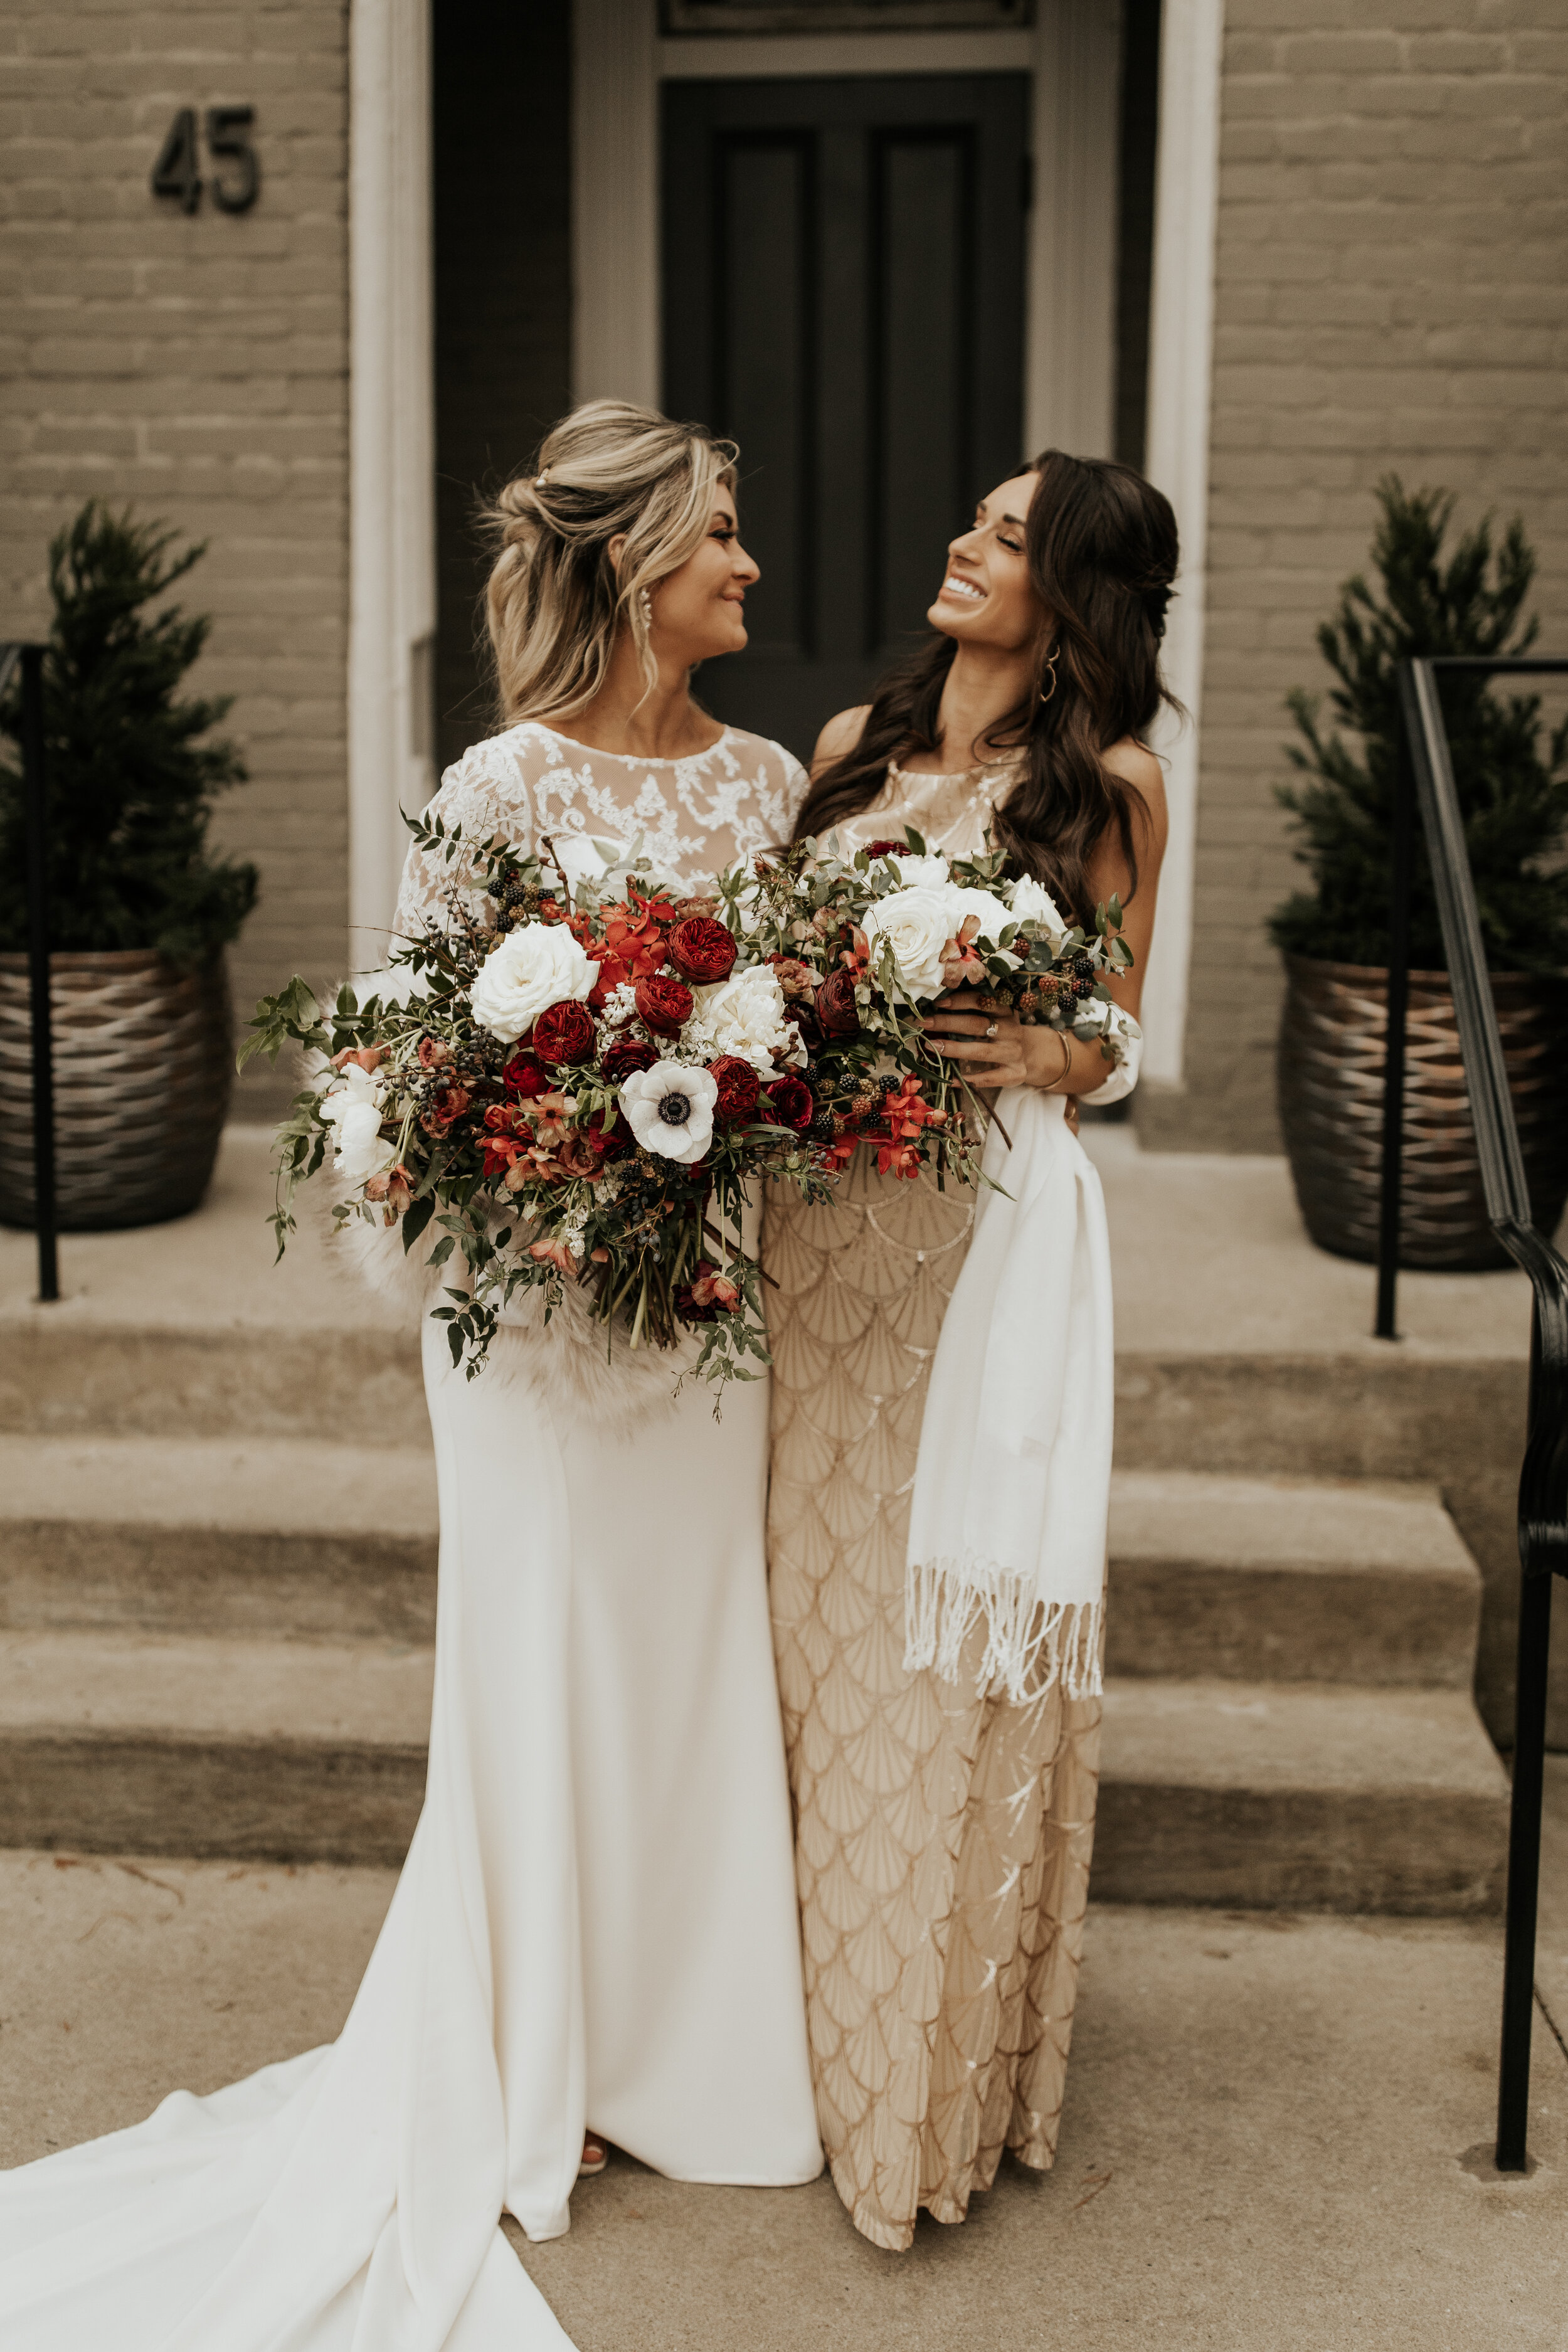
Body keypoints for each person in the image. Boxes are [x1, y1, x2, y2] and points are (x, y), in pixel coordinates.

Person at [0, 400, 821, 2352]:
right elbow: (400, 1067)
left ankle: (679, 2047)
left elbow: (785, 1040)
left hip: (713, 1291)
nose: (749, 569)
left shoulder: (779, 781)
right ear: (638, 566)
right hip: (535, 1319)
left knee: (694, 1636)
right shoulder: (497, 786)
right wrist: (538, 1180)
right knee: (538, 1645)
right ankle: (532, 2047)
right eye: (720, 534)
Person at [764, 448, 1176, 2250]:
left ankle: (908, 2096)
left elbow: (1117, 1021)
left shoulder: (1115, 785)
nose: (965, 540)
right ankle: (753, 2054)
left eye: (1011, 536)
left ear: (1072, 592)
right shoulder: (852, 739)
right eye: (977, 517)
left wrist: (1064, 1054)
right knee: (793, 1621)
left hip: (968, 1244)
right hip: (807, 1236)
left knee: (923, 1644)